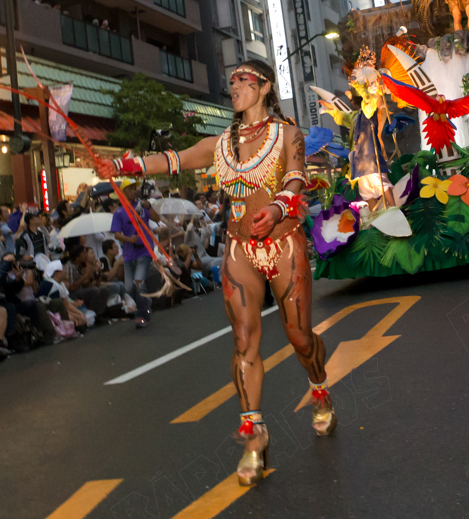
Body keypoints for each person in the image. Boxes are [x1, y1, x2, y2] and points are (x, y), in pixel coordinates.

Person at [99, 59, 334, 487]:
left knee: (300, 336)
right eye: (231, 82)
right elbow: (174, 160)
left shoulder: (287, 133)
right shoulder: (220, 143)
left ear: (264, 87)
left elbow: (297, 177)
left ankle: (319, 385)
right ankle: (254, 435)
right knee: (244, 340)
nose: (235, 87)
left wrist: (278, 207)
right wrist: (122, 167)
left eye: (244, 81)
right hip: (240, 249)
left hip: (283, 243)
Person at [111, 182, 160, 328]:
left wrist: (149, 206)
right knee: (128, 287)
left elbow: (157, 219)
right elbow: (117, 234)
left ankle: (140, 315)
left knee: (139, 282)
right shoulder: (119, 213)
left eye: (134, 188)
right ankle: (146, 303)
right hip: (129, 253)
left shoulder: (143, 207)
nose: (133, 191)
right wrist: (129, 239)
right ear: (123, 192)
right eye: (130, 189)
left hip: (144, 250)